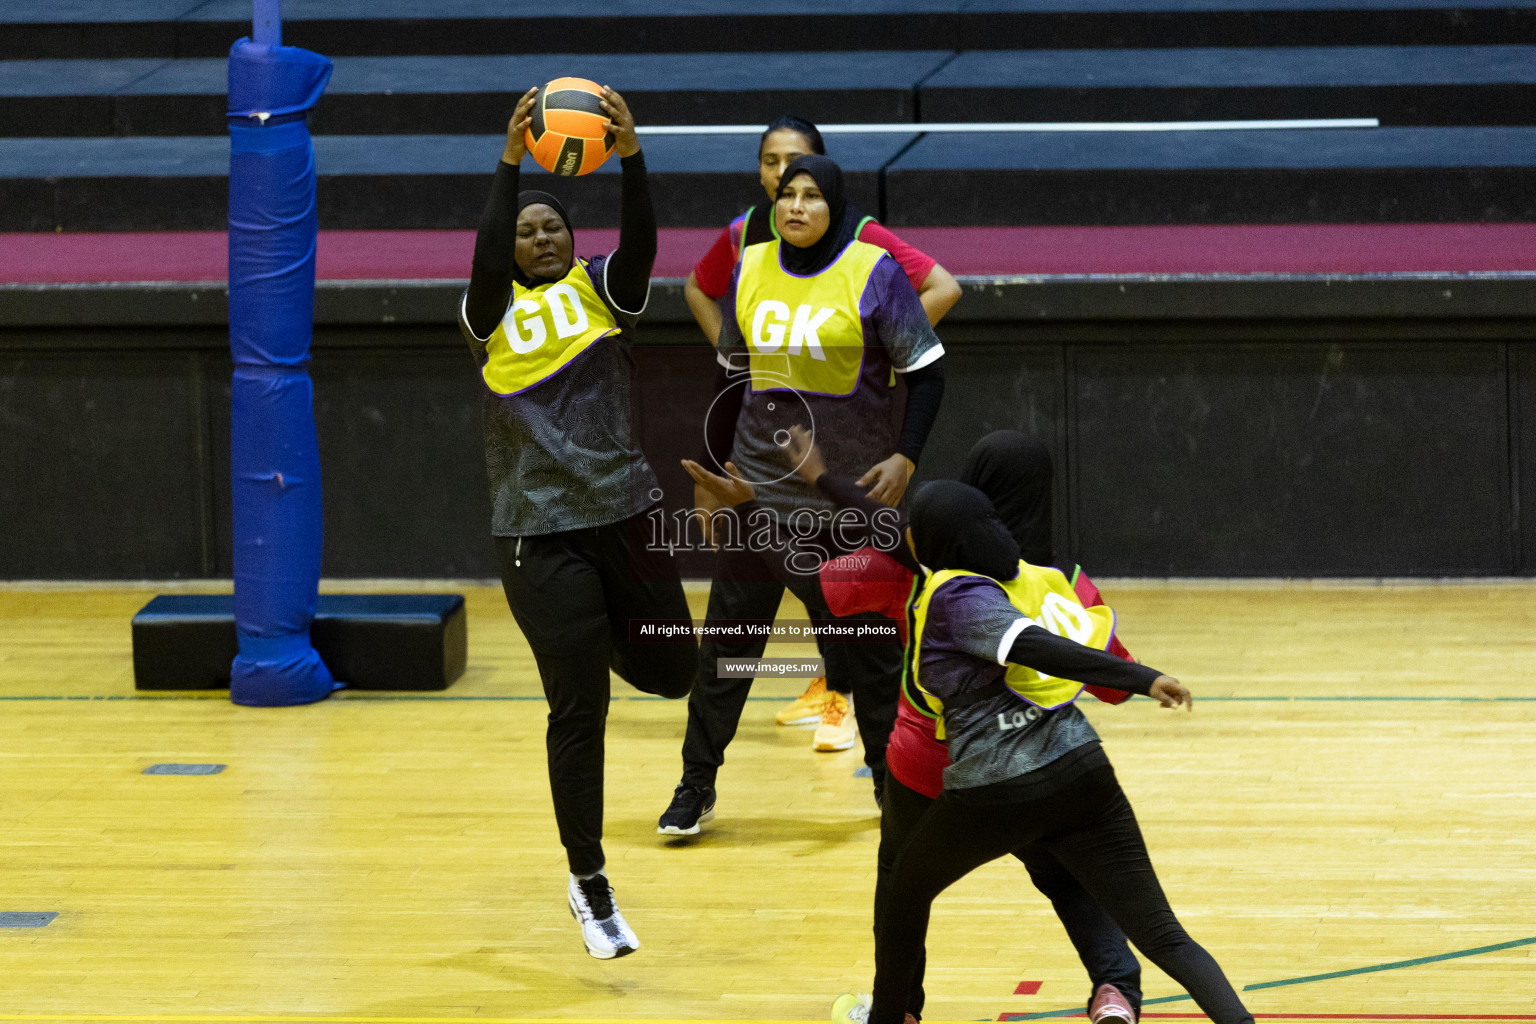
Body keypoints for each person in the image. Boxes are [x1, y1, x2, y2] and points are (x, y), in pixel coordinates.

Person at [684, 428, 1142, 1024]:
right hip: (1037, 763)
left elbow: (811, 583)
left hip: (933, 765)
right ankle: (1114, 992)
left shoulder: (916, 571)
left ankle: (900, 1010)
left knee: (901, 884)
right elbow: (1115, 684)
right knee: (1069, 874)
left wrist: (752, 510)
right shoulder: (1066, 585)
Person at [833, 482, 1255, 1024]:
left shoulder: (953, 596)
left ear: (934, 539)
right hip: (1082, 768)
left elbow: (1033, 645)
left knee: (902, 898)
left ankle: (891, 1018)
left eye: (914, 524)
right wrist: (1141, 678)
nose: (905, 533)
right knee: (1166, 937)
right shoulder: (1037, 580)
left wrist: (1142, 679)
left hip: (997, 789)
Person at [459, 85, 697, 960]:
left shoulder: (603, 290)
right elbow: (486, 259)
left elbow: (642, 243)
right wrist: (509, 164)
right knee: (579, 708)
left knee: (675, 671)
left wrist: (632, 156)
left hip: (625, 513)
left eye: (552, 225)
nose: (540, 236)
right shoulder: (490, 317)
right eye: (525, 229)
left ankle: (586, 630)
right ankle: (589, 880)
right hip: (537, 530)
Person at [657, 155, 947, 835]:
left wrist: (906, 456)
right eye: (787, 194)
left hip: (849, 499)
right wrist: (710, 477)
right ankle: (695, 786)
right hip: (759, 495)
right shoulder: (751, 268)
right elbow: (733, 381)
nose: (796, 207)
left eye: (813, 196)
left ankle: (889, 785)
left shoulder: (873, 273)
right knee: (728, 650)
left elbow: (928, 374)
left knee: (870, 651)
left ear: (836, 207)